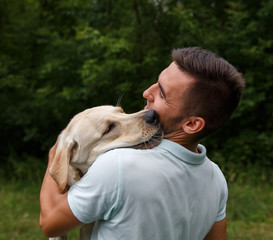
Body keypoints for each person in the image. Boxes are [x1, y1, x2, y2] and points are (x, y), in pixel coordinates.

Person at [40, 47, 245, 239]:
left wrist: (58, 151)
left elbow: (50, 223)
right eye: (156, 83)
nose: (147, 92)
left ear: (192, 124)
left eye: (162, 94)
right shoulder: (216, 178)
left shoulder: (119, 165)